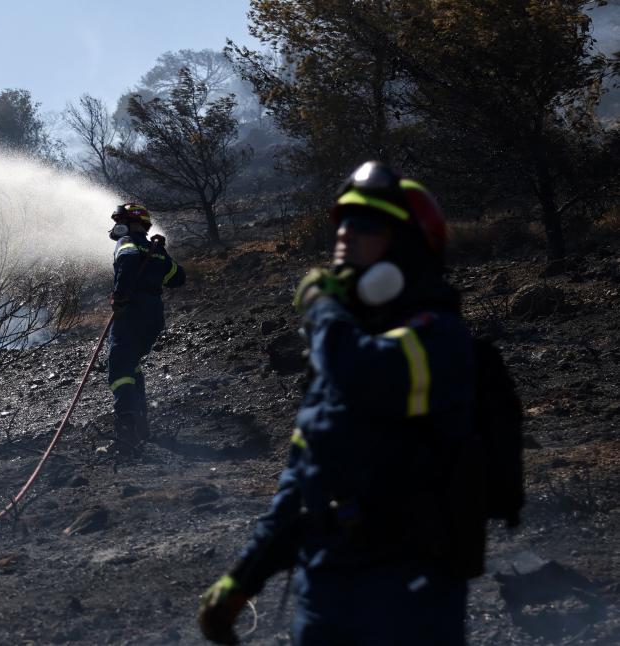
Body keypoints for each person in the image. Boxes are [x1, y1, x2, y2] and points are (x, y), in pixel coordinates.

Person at [199, 162, 476, 645]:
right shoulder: (341, 345)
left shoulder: (438, 336)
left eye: (366, 224)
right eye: (342, 222)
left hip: (409, 597)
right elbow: (302, 481)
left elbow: (367, 376)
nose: (345, 234)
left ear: (406, 245)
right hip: (326, 592)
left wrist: (324, 310)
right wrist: (243, 579)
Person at [107, 203, 185, 452]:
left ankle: (126, 435)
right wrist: (160, 253)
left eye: (120, 220)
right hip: (153, 314)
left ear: (130, 222)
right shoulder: (157, 250)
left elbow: (128, 264)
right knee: (132, 365)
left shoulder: (127, 241)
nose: (116, 226)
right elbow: (177, 278)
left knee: (120, 367)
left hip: (132, 310)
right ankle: (141, 429)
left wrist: (119, 296)